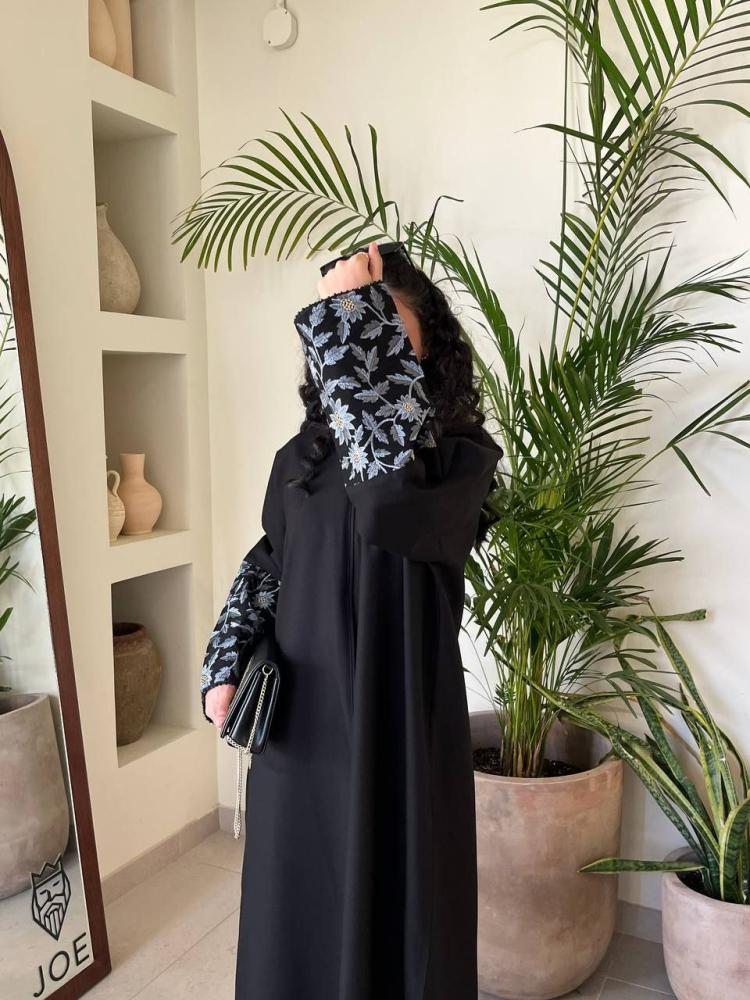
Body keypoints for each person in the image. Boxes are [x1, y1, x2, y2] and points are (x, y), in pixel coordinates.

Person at [200, 241, 502, 1000]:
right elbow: (271, 559)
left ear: (423, 352)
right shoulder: (298, 458)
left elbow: (389, 497)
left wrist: (351, 312)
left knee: (399, 932)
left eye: (383, 325)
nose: (366, 333)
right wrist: (227, 656)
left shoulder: (454, 460)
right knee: (295, 931)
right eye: (358, 324)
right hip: (301, 742)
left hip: (394, 735)